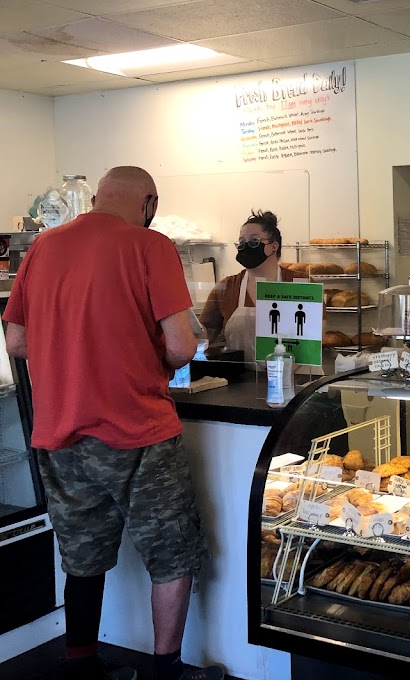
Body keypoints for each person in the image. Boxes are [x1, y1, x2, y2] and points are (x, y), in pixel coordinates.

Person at [2, 166, 222, 680]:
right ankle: (165, 672)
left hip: (60, 434)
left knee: (81, 553)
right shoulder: (150, 245)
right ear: (149, 204)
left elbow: (16, 341)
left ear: (96, 197)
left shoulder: (44, 246)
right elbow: (181, 346)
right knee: (171, 552)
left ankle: (81, 665)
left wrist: (71, 352)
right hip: (138, 433)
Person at [199, 209, 294, 362]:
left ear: (274, 246)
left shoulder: (299, 283)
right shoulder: (227, 288)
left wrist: (285, 372)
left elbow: (316, 337)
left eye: (254, 241)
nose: (246, 247)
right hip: (242, 375)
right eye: (242, 242)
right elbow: (204, 334)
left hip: (294, 374)